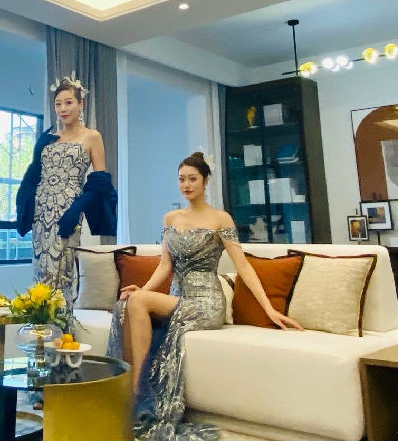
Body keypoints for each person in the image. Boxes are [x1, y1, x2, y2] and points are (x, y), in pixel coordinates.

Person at [107, 151, 302, 441]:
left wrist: (269, 309)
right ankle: (127, 392)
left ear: (205, 181)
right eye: (181, 179)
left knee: (138, 301)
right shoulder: (171, 218)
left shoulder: (220, 219)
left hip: (205, 302)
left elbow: (243, 267)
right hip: (176, 298)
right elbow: (164, 266)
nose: (186, 185)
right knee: (125, 304)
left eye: (192, 179)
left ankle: (137, 394)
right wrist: (144, 290)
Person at [16, 73, 117, 316]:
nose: (62, 109)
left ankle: (62, 330)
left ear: (81, 104)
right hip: (41, 210)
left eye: (68, 102)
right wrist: (24, 209)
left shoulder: (91, 136)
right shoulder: (49, 137)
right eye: (58, 104)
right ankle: (41, 329)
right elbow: (34, 174)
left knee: (60, 270)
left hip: (68, 209)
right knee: (40, 271)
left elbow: (100, 180)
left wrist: (76, 209)